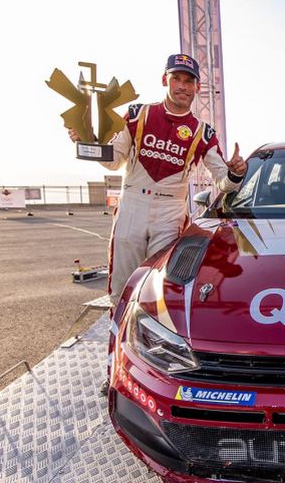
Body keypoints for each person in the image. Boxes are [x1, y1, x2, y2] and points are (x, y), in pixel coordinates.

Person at [70, 54, 247, 303]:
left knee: (159, 283)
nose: (183, 86)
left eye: (189, 81)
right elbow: (114, 161)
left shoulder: (204, 133)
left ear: (197, 87)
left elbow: (222, 180)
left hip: (170, 210)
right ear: (165, 80)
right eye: (177, 79)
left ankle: (151, 336)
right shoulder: (136, 114)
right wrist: (88, 143)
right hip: (132, 202)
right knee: (122, 284)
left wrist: (236, 172)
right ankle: (118, 335)